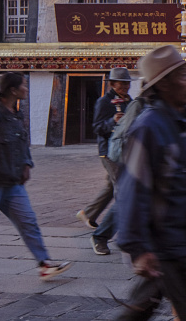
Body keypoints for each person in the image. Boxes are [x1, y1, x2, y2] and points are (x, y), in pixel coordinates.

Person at [115, 46, 186, 320]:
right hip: (163, 241)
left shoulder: (184, 123)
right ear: (163, 84)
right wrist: (137, 248)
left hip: (178, 237)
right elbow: (131, 190)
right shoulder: (149, 128)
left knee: (141, 308)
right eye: (182, 74)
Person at [0, 72, 72, 289]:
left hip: (12, 184)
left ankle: (44, 263)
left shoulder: (14, 115)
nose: (26, 88)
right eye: (24, 85)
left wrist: (26, 165)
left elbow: (22, 146)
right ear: (13, 90)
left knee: (29, 223)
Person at [78, 67, 132, 256]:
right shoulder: (104, 102)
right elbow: (97, 127)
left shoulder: (129, 102)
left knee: (111, 187)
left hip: (125, 151)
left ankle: (89, 213)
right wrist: (112, 121)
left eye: (127, 83)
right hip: (109, 152)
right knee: (123, 191)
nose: (125, 86)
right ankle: (103, 235)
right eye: (121, 83)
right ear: (112, 84)